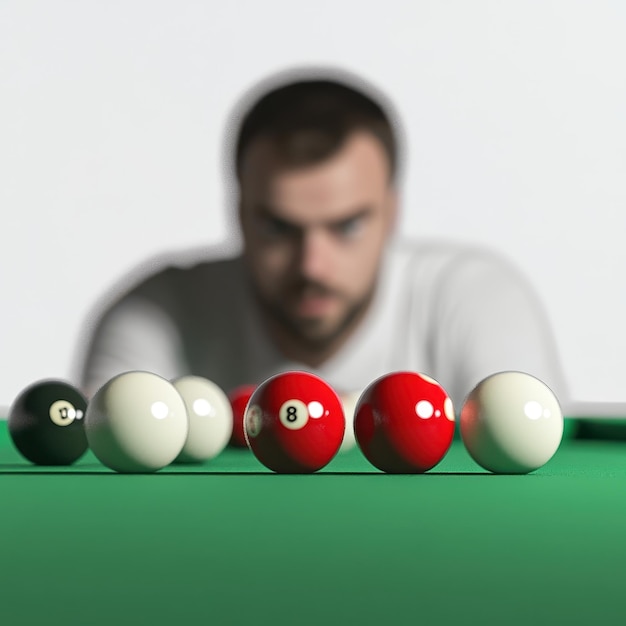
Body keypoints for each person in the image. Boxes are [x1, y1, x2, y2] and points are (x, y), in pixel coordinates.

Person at [75, 69, 568, 410]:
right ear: (239, 214)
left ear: (392, 213)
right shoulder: (154, 311)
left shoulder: (478, 298)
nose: (313, 266)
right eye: (278, 228)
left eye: (348, 226)